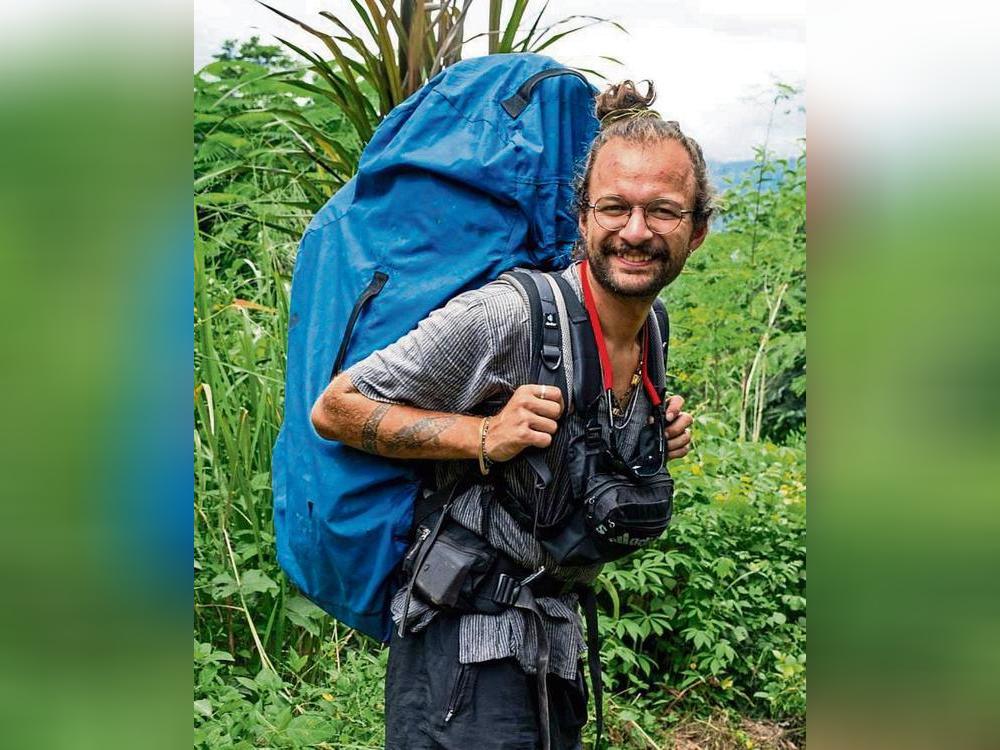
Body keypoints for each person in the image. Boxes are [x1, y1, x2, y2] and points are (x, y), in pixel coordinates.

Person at [310, 80, 709, 750]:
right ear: (582, 220)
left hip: (552, 645)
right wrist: (483, 435)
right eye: (615, 207)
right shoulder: (509, 316)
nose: (635, 232)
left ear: (696, 231)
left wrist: (649, 432)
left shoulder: (651, 330)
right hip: (460, 653)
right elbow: (338, 407)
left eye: (662, 211)